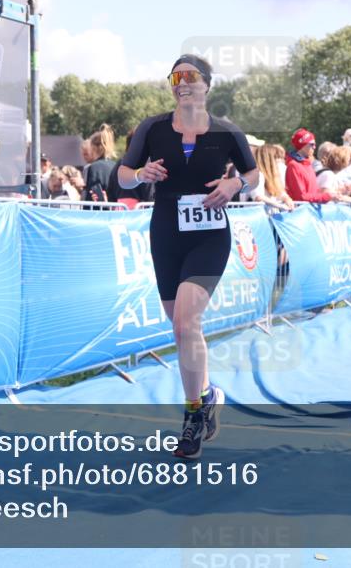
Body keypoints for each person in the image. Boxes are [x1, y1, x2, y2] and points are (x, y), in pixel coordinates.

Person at [116, 54, 259, 459]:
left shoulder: (228, 132)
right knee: (180, 330)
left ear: (207, 84)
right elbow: (123, 174)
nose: (181, 83)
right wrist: (141, 175)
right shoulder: (153, 128)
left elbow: (253, 175)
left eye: (190, 76)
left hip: (210, 235)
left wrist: (234, 186)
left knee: (186, 318)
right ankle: (209, 392)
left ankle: (193, 414)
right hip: (166, 234)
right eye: (175, 77)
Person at [285, 128, 351, 205]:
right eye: (311, 144)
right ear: (302, 146)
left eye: (315, 144)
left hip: (310, 212)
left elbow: (314, 192)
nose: (314, 147)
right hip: (302, 213)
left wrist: (337, 194)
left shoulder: (307, 164)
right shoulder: (293, 166)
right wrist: (327, 196)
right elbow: (301, 197)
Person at [249, 143, 293, 212]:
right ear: (268, 159)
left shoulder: (272, 176)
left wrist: (287, 198)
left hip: (268, 216)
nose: (279, 160)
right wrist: (280, 206)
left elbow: (279, 193)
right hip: (258, 217)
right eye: (276, 157)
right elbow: (258, 197)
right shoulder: (257, 175)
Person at [83, 123, 117, 201]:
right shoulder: (115, 165)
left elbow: (92, 195)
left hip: (99, 211)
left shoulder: (94, 167)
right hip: (115, 209)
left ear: (93, 147)